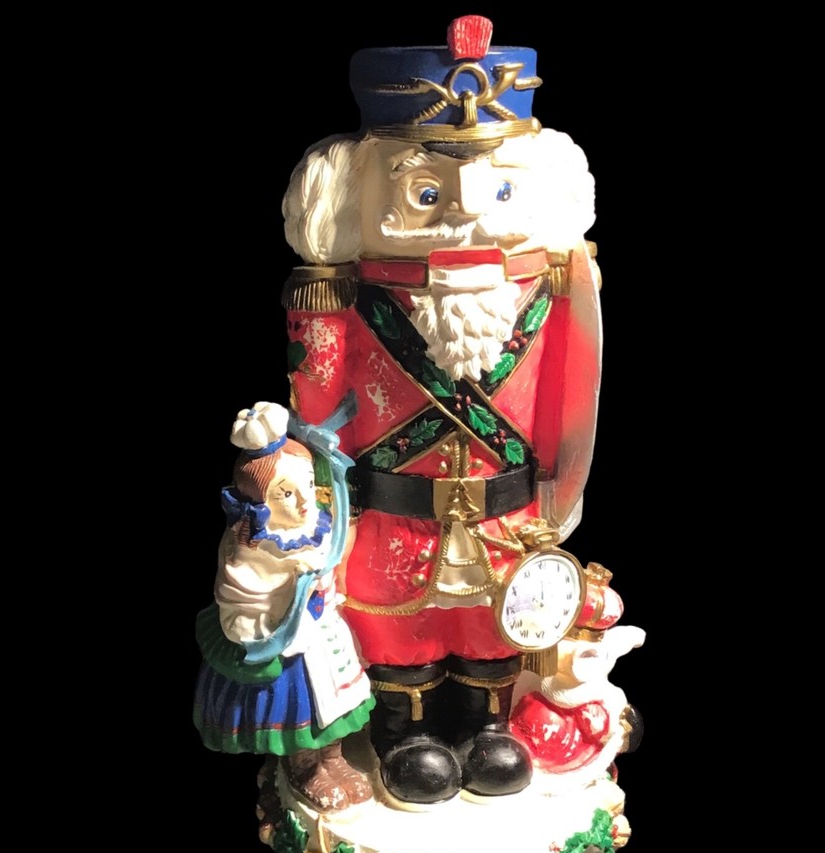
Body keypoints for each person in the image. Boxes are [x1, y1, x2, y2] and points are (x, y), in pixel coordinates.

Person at [280, 16, 621, 804]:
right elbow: (318, 409)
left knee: (495, 622)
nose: (466, 215)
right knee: (396, 624)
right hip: (391, 513)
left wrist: (558, 491)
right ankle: (405, 730)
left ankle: (486, 723)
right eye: (426, 192)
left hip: (508, 515)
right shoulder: (344, 296)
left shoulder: (553, 288)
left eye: (499, 188)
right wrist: (317, 498)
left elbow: (572, 390)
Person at [194, 401, 374, 811]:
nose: (304, 502)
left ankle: (334, 758)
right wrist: (289, 593)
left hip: (324, 630)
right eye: (286, 494)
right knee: (299, 705)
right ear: (258, 500)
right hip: (287, 638)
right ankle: (305, 765)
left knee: (337, 697)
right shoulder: (250, 548)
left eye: (307, 484)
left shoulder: (314, 524)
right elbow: (243, 594)